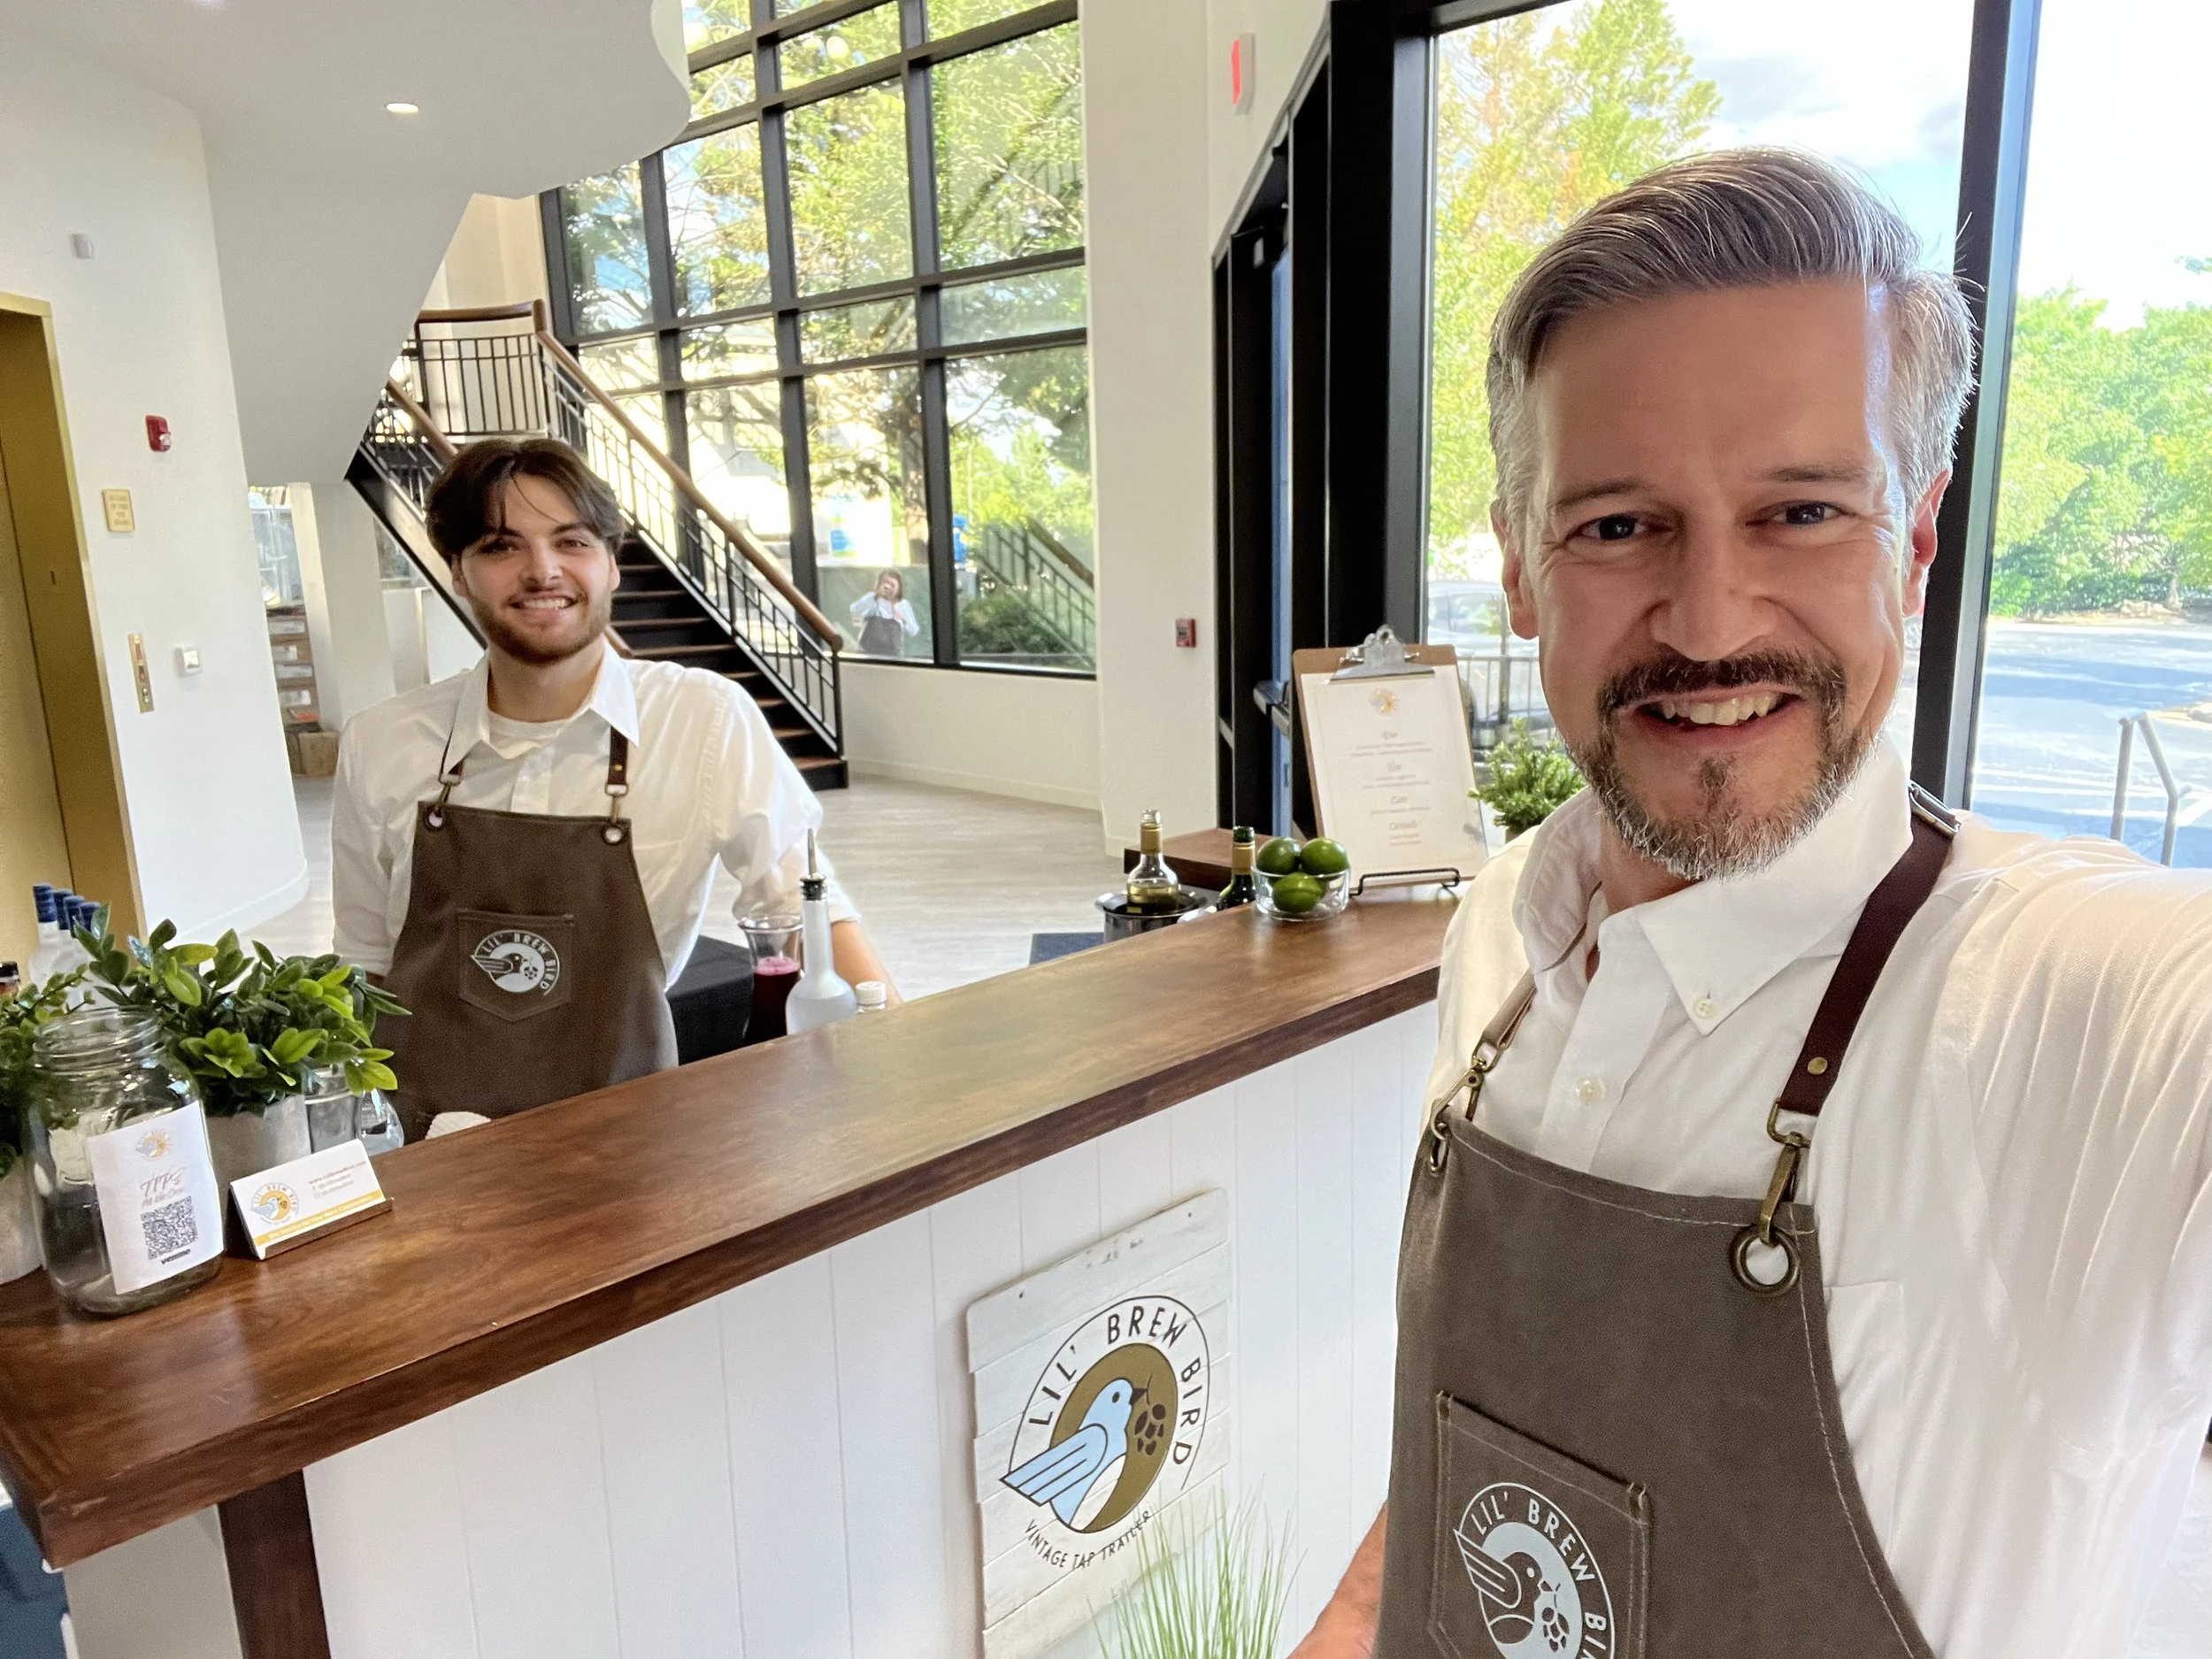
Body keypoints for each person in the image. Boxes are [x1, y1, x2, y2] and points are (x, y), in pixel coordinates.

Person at [1292, 150, 2212, 1659]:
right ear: (1520, 569)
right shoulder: (1507, 926)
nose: (1711, 621)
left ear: (1914, 541)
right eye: (1615, 526)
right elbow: (1489, 1464)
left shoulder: (2063, 1007)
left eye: (1799, 513)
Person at [332, 437, 892, 1140]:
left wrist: (900, 1082)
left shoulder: (704, 721)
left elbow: (807, 910)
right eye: (502, 546)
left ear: (610, 563)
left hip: (629, 1148)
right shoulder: (381, 742)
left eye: (571, 541)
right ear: (458, 572)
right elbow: (361, 962)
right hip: (427, 1147)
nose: (543, 571)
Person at [849, 567, 920, 657]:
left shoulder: (903, 604)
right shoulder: (872, 597)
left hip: (892, 655)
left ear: (899, 588)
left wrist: (903, 619)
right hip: (868, 652)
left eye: (892, 585)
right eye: (885, 583)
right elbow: (854, 609)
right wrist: (875, 598)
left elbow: (914, 631)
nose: (888, 587)